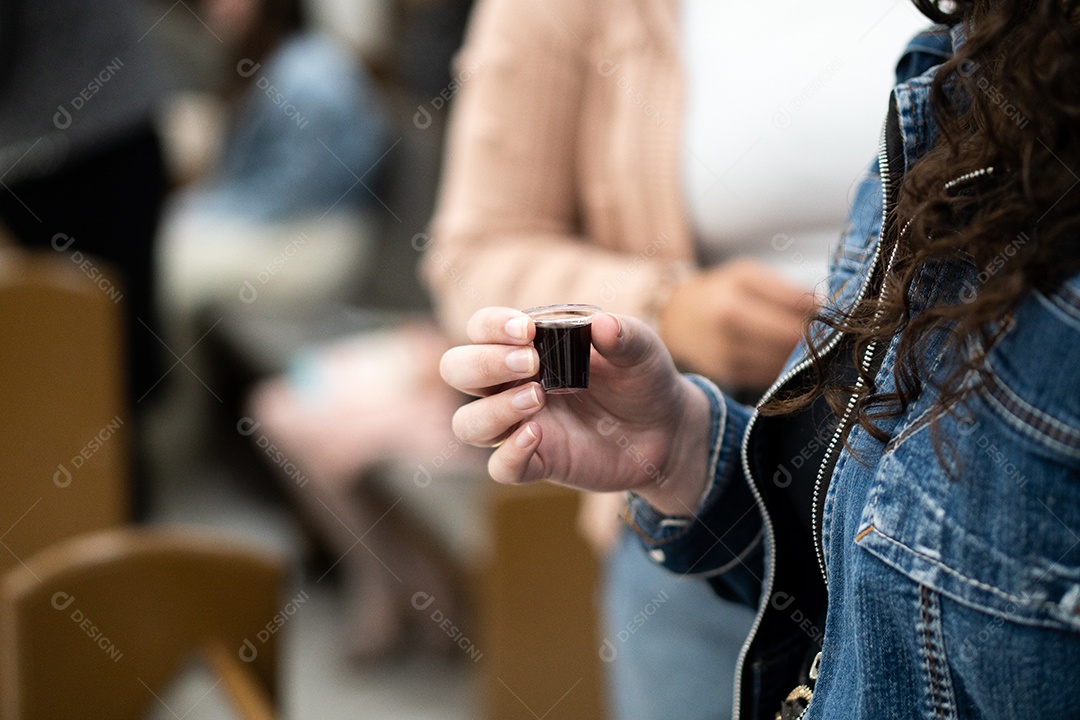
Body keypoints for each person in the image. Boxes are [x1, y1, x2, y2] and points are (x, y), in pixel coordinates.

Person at [438, 0, 1080, 716]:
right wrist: (670, 316)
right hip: (730, 492)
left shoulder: (979, 45)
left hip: (948, 470)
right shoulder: (954, 55)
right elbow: (474, 252)